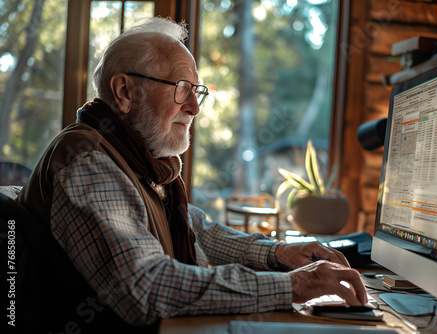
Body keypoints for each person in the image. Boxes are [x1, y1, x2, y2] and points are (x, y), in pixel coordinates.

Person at [17, 17, 366, 332]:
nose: (195, 107)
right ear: (124, 92)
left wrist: (279, 254)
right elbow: (147, 287)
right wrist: (293, 286)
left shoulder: (137, 159)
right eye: (181, 88)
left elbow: (198, 230)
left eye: (196, 91)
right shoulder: (89, 161)